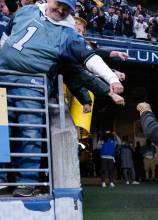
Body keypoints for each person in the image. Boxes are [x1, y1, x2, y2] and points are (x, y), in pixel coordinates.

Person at [0, 0, 122, 197]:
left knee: (30, 132)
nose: (61, 10)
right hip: (3, 76)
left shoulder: (68, 34)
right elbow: (7, 34)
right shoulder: (28, 11)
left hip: (32, 83)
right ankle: (3, 178)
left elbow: (86, 63)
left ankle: (27, 182)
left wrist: (111, 79)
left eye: (67, 8)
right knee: (2, 130)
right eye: (59, 4)